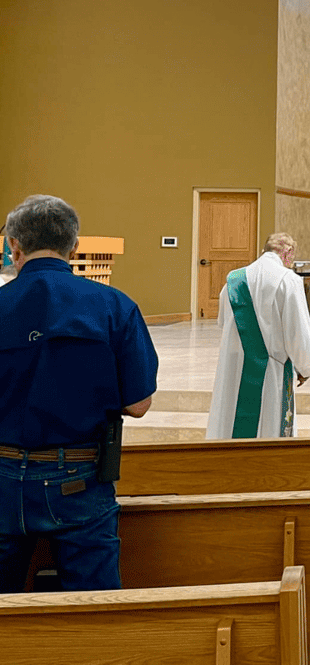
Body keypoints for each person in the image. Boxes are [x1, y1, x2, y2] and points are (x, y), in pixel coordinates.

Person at [0, 195, 158, 591]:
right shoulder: (113, 306)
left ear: (14, 247)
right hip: (79, 477)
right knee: (94, 609)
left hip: (0, 474)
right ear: (74, 246)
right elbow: (138, 404)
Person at [206, 233, 310, 439]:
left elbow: (223, 322)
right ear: (288, 252)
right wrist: (306, 367)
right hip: (270, 369)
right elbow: (297, 330)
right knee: (268, 427)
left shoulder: (233, 280)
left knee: (231, 421)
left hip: (234, 367)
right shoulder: (289, 280)